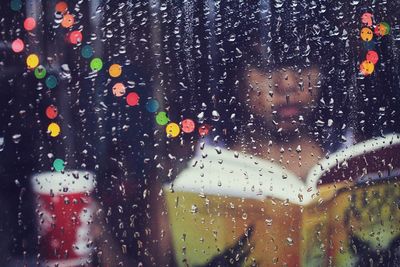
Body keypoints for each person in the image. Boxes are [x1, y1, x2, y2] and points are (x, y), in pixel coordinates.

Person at [163, 1, 400, 266]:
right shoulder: (197, 174)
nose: (287, 83)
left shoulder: (356, 156)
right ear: (236, 75)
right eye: (264, 66)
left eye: (304, 61)